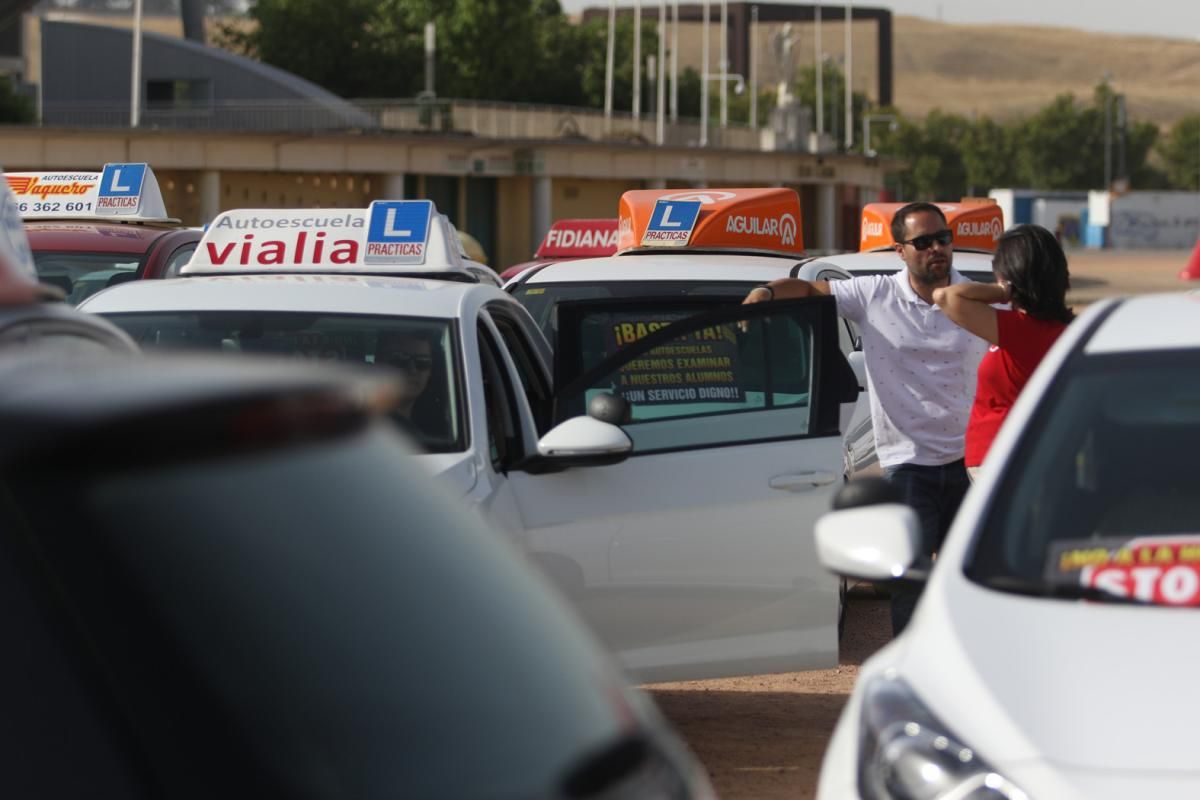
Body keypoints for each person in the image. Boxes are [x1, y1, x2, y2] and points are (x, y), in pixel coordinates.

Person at [743, 202, 988, 635]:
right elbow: (808, 293)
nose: (937, 249)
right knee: (909, 583)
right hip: (907, 465)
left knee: (967, 582)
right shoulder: (875, 294)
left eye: (943, 239)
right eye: (923, 242)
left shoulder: (973, 297)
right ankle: (911, 672)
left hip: (970, 465)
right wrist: (764, 293)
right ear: (900, 250)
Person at [932, 224, 1074, 480]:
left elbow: (945, 297)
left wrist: (1004, 291)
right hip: (1041, 451)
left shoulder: (1018, 330)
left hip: (999, 455)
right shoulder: (1067, 331)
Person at [375, 330, 436, 424]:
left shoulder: (438, 427)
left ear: (430, 372)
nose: (412, 370)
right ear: (379, 364)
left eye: (422, 362)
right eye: (400, 359)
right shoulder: (360, 425)